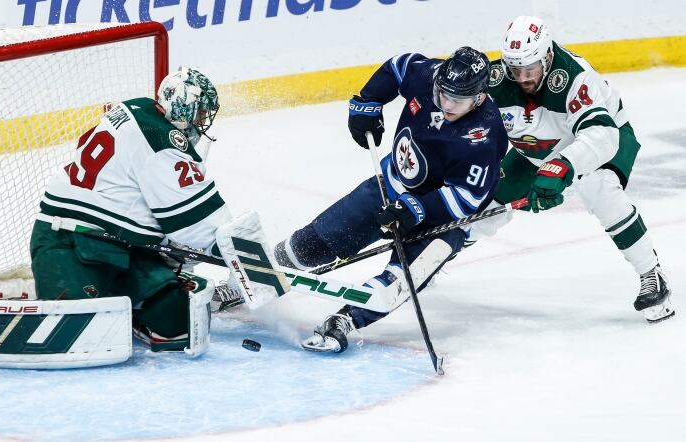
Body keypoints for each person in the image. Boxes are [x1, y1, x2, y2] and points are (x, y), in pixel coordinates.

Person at [273, 47, 508, 353]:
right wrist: (368, 101)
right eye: (443, 94)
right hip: (388, 188)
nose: (447, 104)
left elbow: (466, 198)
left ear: (478, 98)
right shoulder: (429, 74)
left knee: (399, 281)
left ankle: (344, 321)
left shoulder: (485, 135)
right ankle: (257, 275)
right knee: (310, 246)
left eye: (458, 100)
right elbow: (398, 67)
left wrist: (417, 209)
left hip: (442, 222)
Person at [474, 16, 673, 323]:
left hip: (605, 137)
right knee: (484, 199)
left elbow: (601, 134)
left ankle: (652, 275)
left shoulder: (575, 76)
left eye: (530, 69)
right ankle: (434, 258)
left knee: (599, 187)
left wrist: (562, 167)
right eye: (516, 70)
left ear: (548, 57)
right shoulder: (498, 78)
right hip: (540, 148)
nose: (523, 77)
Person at [30, 67, 237, 352]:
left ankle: (127, 304)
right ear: (184, 106)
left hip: (122, 246)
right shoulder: (161, 140)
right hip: (69, 239)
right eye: (200, 113)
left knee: (178, 322)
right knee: (80, 332)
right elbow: (197, 225)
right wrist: (235, 249)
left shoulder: (139, 107)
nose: (203, 122)